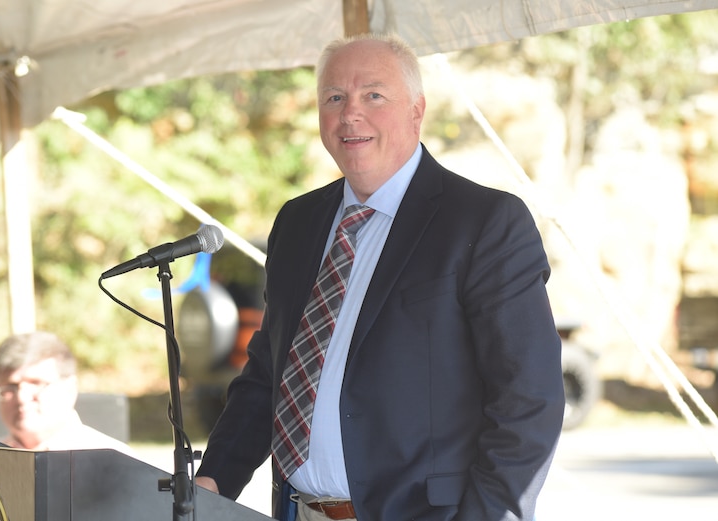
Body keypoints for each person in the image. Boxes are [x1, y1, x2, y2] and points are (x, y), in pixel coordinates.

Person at [195, 32, 564, 521]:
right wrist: (212, 480)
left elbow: (528, 399)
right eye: (334, 98)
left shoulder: (483, 222)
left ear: (417, 109)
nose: (351, 114)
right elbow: (272, 373)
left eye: (373, 95)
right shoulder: (298, 223)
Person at [0, 330, 133, 454]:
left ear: (70, 388)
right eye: (11, 387)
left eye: (36, 383)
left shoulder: (113, 461)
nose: (22, 397)